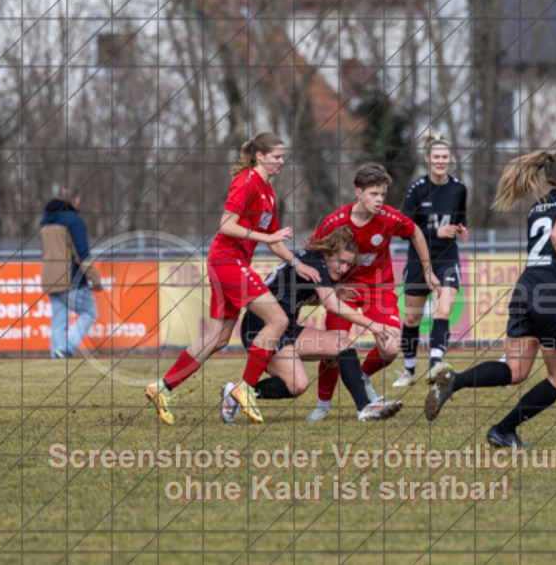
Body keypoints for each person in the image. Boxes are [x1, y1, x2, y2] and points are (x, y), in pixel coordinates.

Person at [425, 149, 556, 449]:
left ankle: (453, 379)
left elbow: (552, 240)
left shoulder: (539, 206)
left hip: (526, 289)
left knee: (515, 370)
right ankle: (503, 429)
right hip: (552, 294)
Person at [144, 132, 320, 425]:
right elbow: (226, 225)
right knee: (278, 320)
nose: (281, 162)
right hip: (227, 261)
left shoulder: (268, 191)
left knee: (220, 337)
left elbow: (274, 242)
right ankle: (246, 388)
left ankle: (161, 387)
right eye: (276, 156)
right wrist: (267, 236)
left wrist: (296, 263)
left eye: (283, 157)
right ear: (259, 156)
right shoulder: (248, 180)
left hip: (231, 263)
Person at [221, 228, 404, 422]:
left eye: (348, 265)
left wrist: (333, 294)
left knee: (338, 348)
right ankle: (236, 394)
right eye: (341, 262)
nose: (343, 269)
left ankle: (364, 407)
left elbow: (300, 297)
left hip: (287, 327)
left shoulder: (317, 264)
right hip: (262, 327)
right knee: (298, 383)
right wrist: (374, 326)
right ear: (328, 253)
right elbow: (331, 305)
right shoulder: (314, 259)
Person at [305, 163, 440, 421]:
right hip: (344, 292)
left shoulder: (389, 218)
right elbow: (313, 250)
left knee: (391, 349)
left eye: (382, 194)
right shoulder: (336, 221)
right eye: (374, 194)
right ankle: (323, 405)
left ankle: (364, 376)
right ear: (359, 192)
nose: (379, 200)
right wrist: (329, 285)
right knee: (334, 348)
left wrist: (427, 271)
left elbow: (416, 232)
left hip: (379, 289)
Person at [394, 134, 468, 387]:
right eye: (436, 157)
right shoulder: (417, 189)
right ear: (427, 159)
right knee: (412, 318)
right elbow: (404, 229)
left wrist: (462, 229)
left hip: (447, 258)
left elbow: (461, 218)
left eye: (445, 157)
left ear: (450, 160)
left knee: (443, 310)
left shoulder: (459, 188)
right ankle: (409, 370)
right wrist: (434, 232)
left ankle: (436, 364)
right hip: (418, 261)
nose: (440, 161)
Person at [40, 185, 103, 358]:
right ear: (75, 200)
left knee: (59, 319)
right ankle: (67, 347)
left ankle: (56, 355)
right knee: (89, 313)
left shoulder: (45, 221)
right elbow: (81, 254)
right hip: (71, 279)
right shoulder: (73, 221)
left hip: (50, 279)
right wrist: (95, 280)